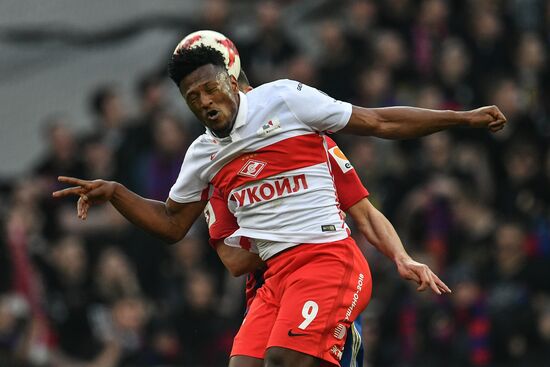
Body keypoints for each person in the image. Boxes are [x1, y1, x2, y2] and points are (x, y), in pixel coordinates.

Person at [53, 42, 506, 366]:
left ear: (233, 80)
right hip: (274, 283)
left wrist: (460, 118)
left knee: (283, 360)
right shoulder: (204, 156)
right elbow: (173, 225)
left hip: (326, 259)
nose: (205, 102)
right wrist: (116, 192)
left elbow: (377, 122)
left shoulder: (286, 100)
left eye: (211, 89)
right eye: (193, 99)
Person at [205, 71, 450, 367]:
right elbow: (234, 261)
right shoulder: (216, 171)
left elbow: (366, 213)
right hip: (268, 293)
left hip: (322, 281)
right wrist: (289, 233)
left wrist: (401, 256)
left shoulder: (309, 146)